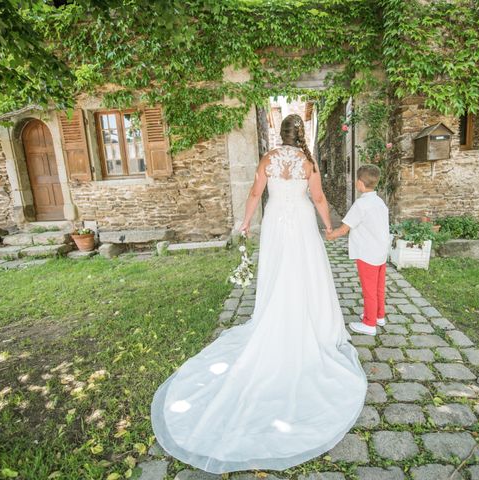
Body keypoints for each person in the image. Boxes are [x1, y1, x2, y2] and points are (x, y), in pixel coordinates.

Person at [150, 114, 367, 474]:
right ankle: (309, 321)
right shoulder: (307, 162)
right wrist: (329, 227)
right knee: (305, 271)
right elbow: (318, 198)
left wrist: (246, 221)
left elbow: (254, 193)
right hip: (299, 223)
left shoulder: (268, 160)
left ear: (279, 135)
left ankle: (274, 316)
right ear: (301, 136)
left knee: (278, 271)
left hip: (276, 224)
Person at [326, 164, 390, 336]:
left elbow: (344, 229)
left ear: (360, 183)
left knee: (369, 289)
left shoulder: (361, 205)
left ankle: (369, 324)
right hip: (381, 251)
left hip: (367, 253)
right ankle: (379, 315)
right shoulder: (379, 202)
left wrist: (330, 236)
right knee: (378, 287)